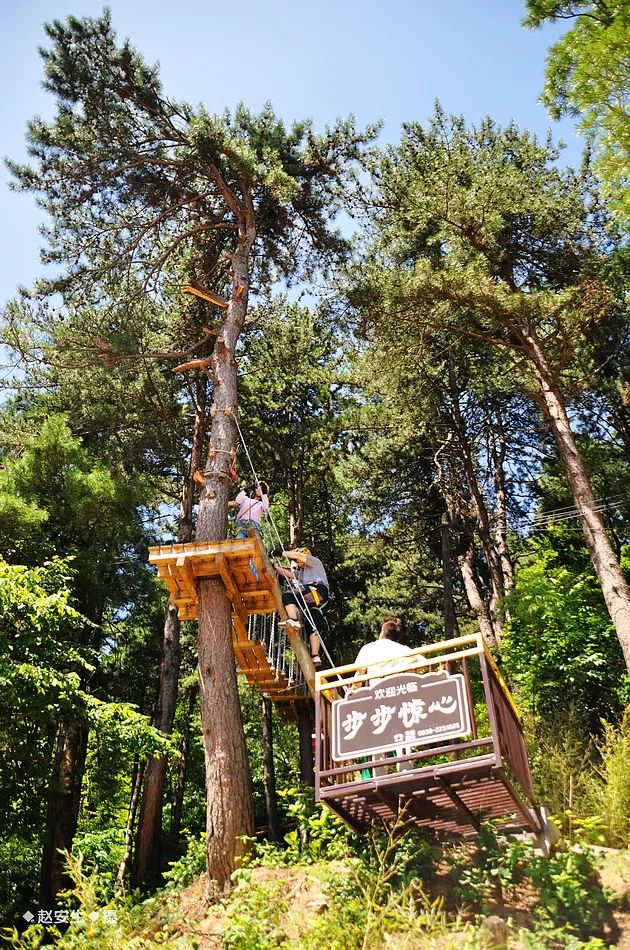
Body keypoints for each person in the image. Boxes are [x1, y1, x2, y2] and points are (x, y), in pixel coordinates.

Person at [273, 547, 329, 667]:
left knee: (288, 595)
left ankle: (293, 620)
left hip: (317, 590)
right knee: (313, 626)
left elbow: (299, 557)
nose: (298, 563)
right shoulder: (302, 573)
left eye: (298, 561)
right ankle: (315, 656)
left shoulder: (314, 562)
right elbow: (290, 574)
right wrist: (277, 568)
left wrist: (282, 553)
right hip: (316, 602)